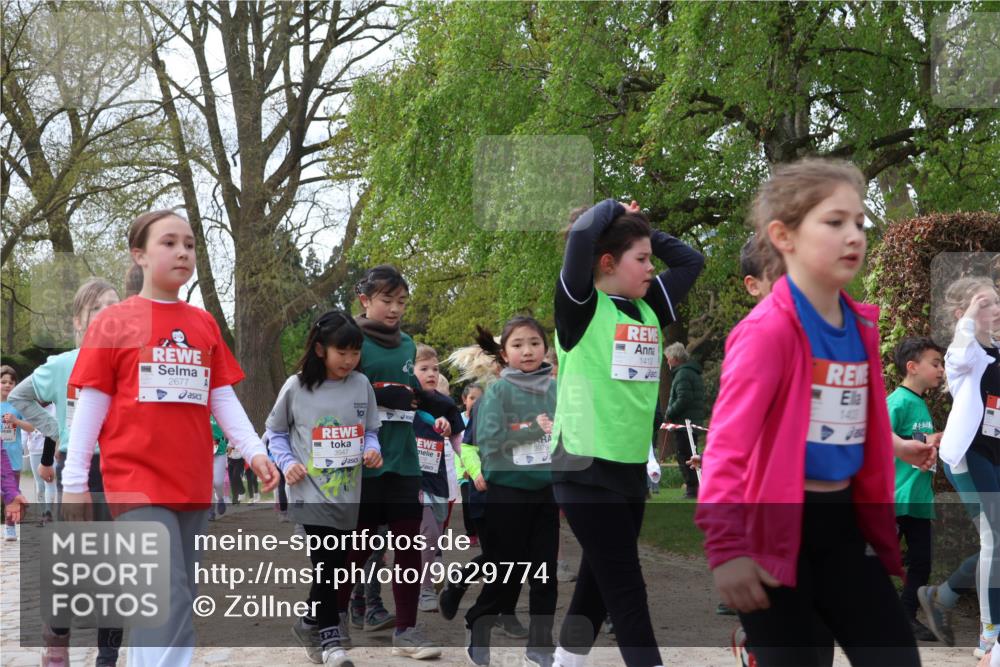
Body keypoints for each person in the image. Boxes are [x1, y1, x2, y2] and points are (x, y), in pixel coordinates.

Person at [696, 158, 919, 666]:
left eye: (860, 222)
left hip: (844, 533)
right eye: (834, 222)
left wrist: (897, 448)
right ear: (784, 236)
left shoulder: (861, 329)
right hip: (772, 536)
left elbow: (855, 424)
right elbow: (726, 450)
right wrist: (727, 549)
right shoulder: (766, 333)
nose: (854, 235)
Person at [61, 209, 278, 667]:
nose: (183, 251)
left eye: (190, 244)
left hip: (193, 483)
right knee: (168, 598)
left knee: (164, 602)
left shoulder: (203, 325)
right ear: (138, 254)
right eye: (169, 243)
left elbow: (223, 399)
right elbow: (91, 405)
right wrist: (74, 481)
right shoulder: (114, 323)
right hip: (136, 483)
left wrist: (255, 451)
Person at [552, 197, 704, 667]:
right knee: (626, 586)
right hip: (583, 466)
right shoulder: (580, 305)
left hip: (629, 466)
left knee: (600, 581)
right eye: (640, 260)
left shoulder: (649, 306)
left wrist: (642, 229)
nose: (650, 268)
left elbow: (691, 260)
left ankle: (564, 660)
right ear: (606, 262)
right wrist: (615, 207)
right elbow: (580, 235)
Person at [336, 264, 450, 660]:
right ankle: (333, 622)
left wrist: (441, 408)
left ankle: (407, 629)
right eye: (386, 300)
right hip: (362, 462)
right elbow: (334, 391)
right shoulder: (349, 340)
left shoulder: (407, 345)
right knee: (356, 547)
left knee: (407, 544)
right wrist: (379, 395)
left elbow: (416, 392)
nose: (395, 309)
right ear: (365, 300)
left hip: (404, 460)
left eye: (401, 302)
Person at [8, 277, 124, 666]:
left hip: (120, 474)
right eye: (96, 309)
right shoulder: (62, 366)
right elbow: (20, 396)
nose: (107, 314)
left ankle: (107, 657)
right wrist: (58, 431)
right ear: (78, 321)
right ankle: (56, 635)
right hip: (76, 473)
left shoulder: (132, 365)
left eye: (115, 306)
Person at [266, 309, 384, 666]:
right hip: (309, 492)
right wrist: (287, 464)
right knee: (326, 564)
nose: (349, 361)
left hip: (348, 495)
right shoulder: (296, 385)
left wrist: (372, 449)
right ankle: (331, 639)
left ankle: (308, 623)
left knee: (336, 564)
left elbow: (371, 430)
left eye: (355, 353)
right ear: (320, 349)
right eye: (341, 352)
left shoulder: (361, 385)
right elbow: (275, 432)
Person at [462, 319, 559, 667]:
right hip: (507, 493)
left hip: (545, 493)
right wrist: (533, 429)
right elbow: (489, 443)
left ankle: (541, 646)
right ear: (504, 354)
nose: (528, 350)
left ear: (545, 348)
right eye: (518, 345)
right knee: (507, 573)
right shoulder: (498, 393)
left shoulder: (555, 388)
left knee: (545, 573)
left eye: (534, 343)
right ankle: (478, 624)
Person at [919, 276, 1000, 658]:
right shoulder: (961, 355)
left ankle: (941, 595)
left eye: (997, 302)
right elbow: (961, 353)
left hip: (995, 457)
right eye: (985, 303)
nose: (995, 309)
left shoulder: (997, 350)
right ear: (962, 313)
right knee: (994, 540)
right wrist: (969, 317)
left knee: (996, 540)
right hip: (969, 457)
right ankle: (990, 634)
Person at [886, 337, 945, 642]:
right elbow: (879, 442)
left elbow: (917, 441)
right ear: (912, 367)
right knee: (880, 561)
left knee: (921, 562)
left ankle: (905, 616)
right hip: (896, 498)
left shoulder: (920, 403)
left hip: (919, 499)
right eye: (935, 364)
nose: (941, 370)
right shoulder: (897, 402)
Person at [411, 345, 464, 613]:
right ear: (410, 371)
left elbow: (459, 441)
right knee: (422, 535)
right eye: (424, 368)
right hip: (407, 482)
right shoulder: (401, 401)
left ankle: (423, 586)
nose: (431, 373)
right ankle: (423, 590)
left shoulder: (445, 404)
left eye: (435, 368)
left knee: (433, 536)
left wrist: (473, 466)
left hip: (437, 481)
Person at [663, 342, 706, 498]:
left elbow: (684, 399)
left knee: (685, 456)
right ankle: (695, 488)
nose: (667, 361)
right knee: (690, 454)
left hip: (684, 423)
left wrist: (669, 412)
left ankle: (692, 489)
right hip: (690, 421)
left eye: (668, 358)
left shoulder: (682, 374)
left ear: (675, 358)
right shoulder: (690, 373)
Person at [1, 365, 33, 541]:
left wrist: (15, 421)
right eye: (3, 381)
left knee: (10, 493)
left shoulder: (18, 405)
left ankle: (10, 527)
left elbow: (31, 427)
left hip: (12, 456)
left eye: (11, 382)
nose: (7, 385)